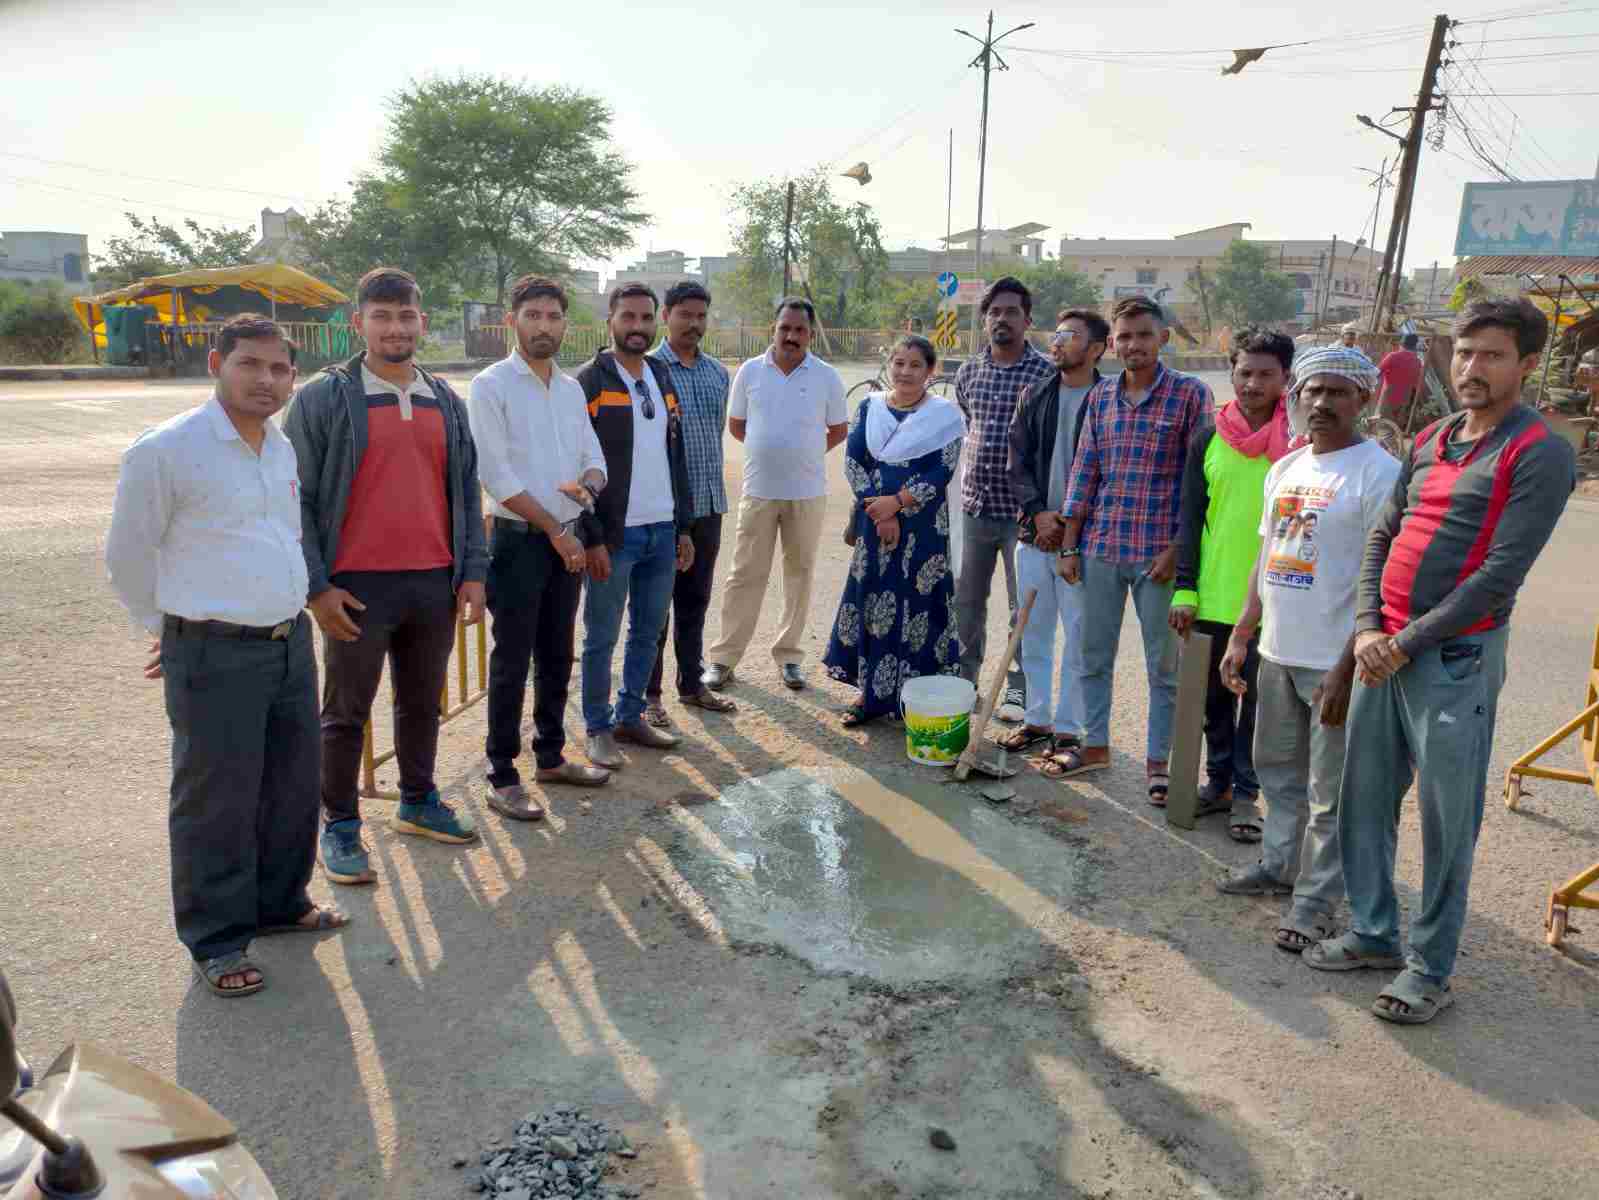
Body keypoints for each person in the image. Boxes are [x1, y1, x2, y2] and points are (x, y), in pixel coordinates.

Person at [1307, 299, 1577, 1024]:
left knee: (1444, 821)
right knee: (1364, 800)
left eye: (1491, 355)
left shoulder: (1538, 452)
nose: (1470, 368)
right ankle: (1371, 933)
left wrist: (1404, 642)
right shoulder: (1431, 437)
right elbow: (1380, 536)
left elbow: (1499, 573)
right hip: (1382, 651)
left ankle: (1428, 969)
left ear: (1525, 365)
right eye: (1463, 353)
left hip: (1451, 659)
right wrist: (1368, 627)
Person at [107, 314, 347, 999]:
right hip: (212, 652)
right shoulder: (168, 449)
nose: (266, 380)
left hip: (287, 643)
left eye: (279, 369)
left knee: (291, 786)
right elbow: (126, 555)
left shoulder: (278, 446)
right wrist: (166, 627)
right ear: (217, 363)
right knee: (216, 802)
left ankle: (279, 902)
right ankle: (216, 939)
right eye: (250, 364)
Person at [285, 267, 488, 885]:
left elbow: (464, 491)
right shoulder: (324, 397)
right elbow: (293, 496)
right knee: (345, 712)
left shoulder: (445, 399)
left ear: (421, 323)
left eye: (405, 317)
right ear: (359, 324)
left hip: (432, 581)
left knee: (421, 701)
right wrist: (316, 586)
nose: (395, 328)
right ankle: (340, 825)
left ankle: (418, 801)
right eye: (381, 316)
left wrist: (472, 572)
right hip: (356, 586)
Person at [1215, 346, 1399, 954]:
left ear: (1363, 400)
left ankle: (1316, 904)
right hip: (1277, 650)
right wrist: (1244, 634)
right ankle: (1277, 867)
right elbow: (1267, 558)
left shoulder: (1378, 473)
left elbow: (1383, 580)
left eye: (1337, 392)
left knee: (1330, 791)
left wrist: (1348, 667)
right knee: (1276, 773)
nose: (1321, 404)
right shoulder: (1286, 468)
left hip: (1334, 661)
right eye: (1313, 391)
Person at [1054, 295, 1213, 803]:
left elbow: (1201, 484)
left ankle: (1158, 763)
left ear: (1163, 337)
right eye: (1124, 337)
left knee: (1163, 666)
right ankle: (1095, 745)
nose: (1133, 345)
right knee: (1091, 655)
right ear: (1112, 344)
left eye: (1144, 335)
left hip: (1157, 558)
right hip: (1101, 546)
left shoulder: (1190, 396)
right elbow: (1085, 473)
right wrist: (1071, 543)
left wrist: (1178, 551)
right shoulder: (1100, 398)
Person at [468, 275, 612, 821]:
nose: (544, 326)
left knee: (557, 653)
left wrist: (591, 486)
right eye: (533, 316)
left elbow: (590, 454)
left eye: (553, 317)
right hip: (521, 541)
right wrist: (556, 528)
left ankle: (549, 756)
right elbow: (496, 475)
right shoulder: (491, 386)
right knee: (512, 657)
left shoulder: (571, 388)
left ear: (565, 325)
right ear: (513, 321)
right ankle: (501, 772)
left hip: (566, 538)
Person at [1168, 328, 1296, 841]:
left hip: (1277, 599)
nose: (1252, 383)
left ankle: (1247, 795)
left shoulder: (1300, 441)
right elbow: (1189, 517)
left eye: (1265, 373)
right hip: (1215, 594)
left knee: (1260, 705)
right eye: (1244, 372)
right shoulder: (1209, 436)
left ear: (1285, 377)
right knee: (1213, 703)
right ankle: (1218, 783)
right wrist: (1184, 588)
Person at [576, 283, 696, 768]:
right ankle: (597, 727)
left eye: (646, 318)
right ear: (611, 320)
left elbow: (676, 454)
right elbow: (576, 465)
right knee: (601, 635)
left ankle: (630, 716)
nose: (638, 327)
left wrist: (683, 527)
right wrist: (592, 536)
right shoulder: (590, 380)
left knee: (648, 631)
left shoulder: (661, 374)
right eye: (628, 317)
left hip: (661, 530)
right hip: (615, 534)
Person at [704, 297, 847, 692]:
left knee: (799, 574)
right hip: (760, 490)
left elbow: (838, 430)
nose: (792, 336)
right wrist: (769, 453)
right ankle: (723, 659)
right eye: (785, 328)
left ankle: (789, 656)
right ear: (774, 328)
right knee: (744, 575)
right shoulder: (750, 371)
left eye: (800, 329)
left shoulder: (826, 376)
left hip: (807, 493)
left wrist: (802, 455)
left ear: (811, 333)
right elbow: (736, 425)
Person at [824, 334, 965, 723]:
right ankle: (870, 697)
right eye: (899, 363)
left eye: (915, 365)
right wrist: (881, 511)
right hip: (875, 524)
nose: (905, 372)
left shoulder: (945, 416)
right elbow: (854, 461)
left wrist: (899, 503)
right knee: (875, 602)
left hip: (924, 529)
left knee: (919, 605)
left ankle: (915, 698)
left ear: (930, 371)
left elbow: (943, 468)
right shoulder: (870, 408)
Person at [1000, 308, 1107, 769]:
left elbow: (1111, 473)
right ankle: (1038, 720)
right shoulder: (1036, 394)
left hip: (1083, 541)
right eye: (1057, 333)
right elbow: (1017, 461)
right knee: (1034, 633)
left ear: (1097, 348)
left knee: (1080, 637)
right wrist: (1039, 514)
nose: (1058, 341)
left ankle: (1070, 731)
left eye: (1071, 335)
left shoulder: (1109, 399)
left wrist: (1068, 526)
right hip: (1034, 533)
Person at [953, 277, 1056, 722]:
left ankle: (1017, 691)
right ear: (984, 320)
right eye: (994, 312)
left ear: (1027, 321)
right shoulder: (968, 372)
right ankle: (963, 680)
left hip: (1023, 517)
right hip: (975, 508)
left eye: (1012, 312)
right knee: (967, 603)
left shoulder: (1045, 375)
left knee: (1024, 610)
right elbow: (968, 424)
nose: (1002, 319)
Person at [643, 282, 737, 726]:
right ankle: (650, 694)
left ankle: (692, 684)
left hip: (708, 506)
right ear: (666, 316)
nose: (694, 324)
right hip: (662, 512)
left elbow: (716, 435)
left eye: (701, 316)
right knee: (655, 607)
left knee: (695, 602)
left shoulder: (718, 374)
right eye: (685, 314)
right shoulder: (647, 371)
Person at [1376, 332, 1424, 427]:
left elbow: (1376, 372)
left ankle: (1389, 441)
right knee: (1396, 426)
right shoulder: (1418, 362)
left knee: (1384, 427)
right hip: (1405, 399)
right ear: (1414, 347)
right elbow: (1416, 383)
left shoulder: (1393, 356)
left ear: (1401, 344)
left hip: (1389, 397)